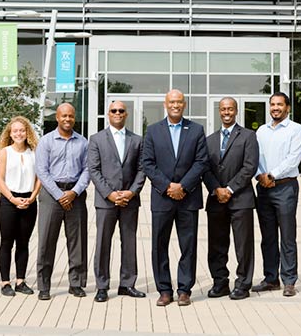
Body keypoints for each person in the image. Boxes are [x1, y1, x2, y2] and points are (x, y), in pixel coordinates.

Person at [142, 89, 209, 307]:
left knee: (188, 245)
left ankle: (184, 290)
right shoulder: (152, 131)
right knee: (159, 245)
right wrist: (168, 186)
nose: (175, 105)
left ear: (185, 104)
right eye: (172, 102)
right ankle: (164, 290)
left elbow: (201, 162)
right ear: (165, 104)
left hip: (188, 197)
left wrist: (183, 186)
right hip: (162, 197)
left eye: (179, 102)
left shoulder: (196, 130)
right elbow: (148, 163)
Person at [88, 101, 147, 302]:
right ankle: (102, 286)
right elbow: (93, 170)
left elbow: (142, 169)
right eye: (114, 110)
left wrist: (131, 193)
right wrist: (110, 194)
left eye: (121, 111)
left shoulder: (137, 140)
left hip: (130, 201)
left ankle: (127, 284)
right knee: (103, 242)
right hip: (106, 201)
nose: (118, 113)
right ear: (108, 113)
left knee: (129, 243)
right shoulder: (96, 139)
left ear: (126, 114)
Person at [202, 97, 259, 300]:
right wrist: (217, 189)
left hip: (240, 199)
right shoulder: (209, 140)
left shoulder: (248, 136)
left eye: (230, 109)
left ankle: (243, 284)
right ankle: (220, 283)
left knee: (243, 245)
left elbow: (250, 166)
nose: (227, 112)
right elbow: (205, 169)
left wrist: (230, 189)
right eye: (223, 109)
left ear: (236, 111)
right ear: (219, 111)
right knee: (216, 245)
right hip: (216, 200)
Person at [252, 92, 301, 297]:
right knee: (267, 237)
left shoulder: (296, 130)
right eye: (273, 104)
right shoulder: (261, 132)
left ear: (288, 108)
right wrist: (260, 176)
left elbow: (294, 159)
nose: (275, 108)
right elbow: (253, 157)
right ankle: (270, 278)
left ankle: (289, 280)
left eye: (280, 105)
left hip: (285, 187)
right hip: (263, 188)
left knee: (287, 235)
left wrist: (272, 174)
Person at [34, 103, 91, 300]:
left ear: (74, 118)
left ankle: (76, 283)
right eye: (63, 116)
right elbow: (41, 170)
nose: (67, 119)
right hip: (51, 195)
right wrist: (59, 195)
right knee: (46, 241)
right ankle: (44, 286)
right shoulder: (46, 141)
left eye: (71, 116)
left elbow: (88, 170)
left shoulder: (83, 142)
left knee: (78, 241)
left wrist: (74, 192)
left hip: (75, 195)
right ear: (57, 118)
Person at [0, 116, 41, 297]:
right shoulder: (5, 152)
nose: (19, 133)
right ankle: (5, 282)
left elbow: (39, 178)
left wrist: (32, 197)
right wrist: (13, 199)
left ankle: (20, 281)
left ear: (27, 132)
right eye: (15, 131)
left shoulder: (34, 153)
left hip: (29, 201)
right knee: (6, 242)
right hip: (9, 201)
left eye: (22, 130)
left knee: (23, 243)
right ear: (10, 133)